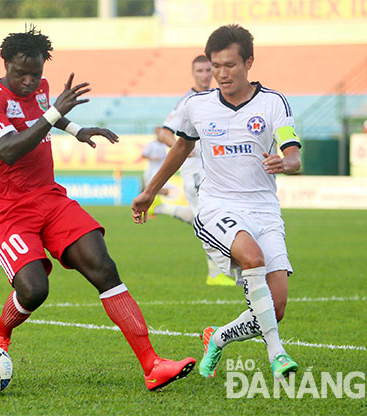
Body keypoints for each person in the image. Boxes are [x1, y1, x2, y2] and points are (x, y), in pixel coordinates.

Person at [0, 26, 195, 392]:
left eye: (36, 74)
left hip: (49, 197)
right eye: (20, 73)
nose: (29, 82)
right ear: (5, 62)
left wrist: (76, 129)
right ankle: (0, 329)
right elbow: (8, 149)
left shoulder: (40, 90)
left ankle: (153, 364)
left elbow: (44, 114)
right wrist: (54, 113)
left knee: (103, 266)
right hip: (7, 210)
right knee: (34, 290)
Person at [132, 24, 301, 381]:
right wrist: (150, 191)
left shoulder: (273, 103)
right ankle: (277, 351)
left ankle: (218, 337)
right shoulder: (197, 106)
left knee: (277, 305)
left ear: (249, 62)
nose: (222, 74)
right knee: (252, 257)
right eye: (216, 65)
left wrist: (284, 163)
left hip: (264, 208)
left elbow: (293, 155)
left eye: (230, 65)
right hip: (216, 206)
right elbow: (180, 148)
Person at [155, 55, 235, 286]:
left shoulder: (214, 98)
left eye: (209, 70)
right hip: (194, 171)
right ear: (193, 73)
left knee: (207, 216)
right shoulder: (188, 101)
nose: (205, 75)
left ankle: (162, 208)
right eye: (200, 71)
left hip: (213, 170)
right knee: (208, 218)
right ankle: (216, 272)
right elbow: (163, 132)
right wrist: (182, 148)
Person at [141, 127, 169, 196]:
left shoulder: (165, 145)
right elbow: (143, 154)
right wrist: (152, 158)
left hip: (162, 170)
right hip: (152, 170)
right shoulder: (152, 145)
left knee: (164, 190)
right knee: (151, 189)